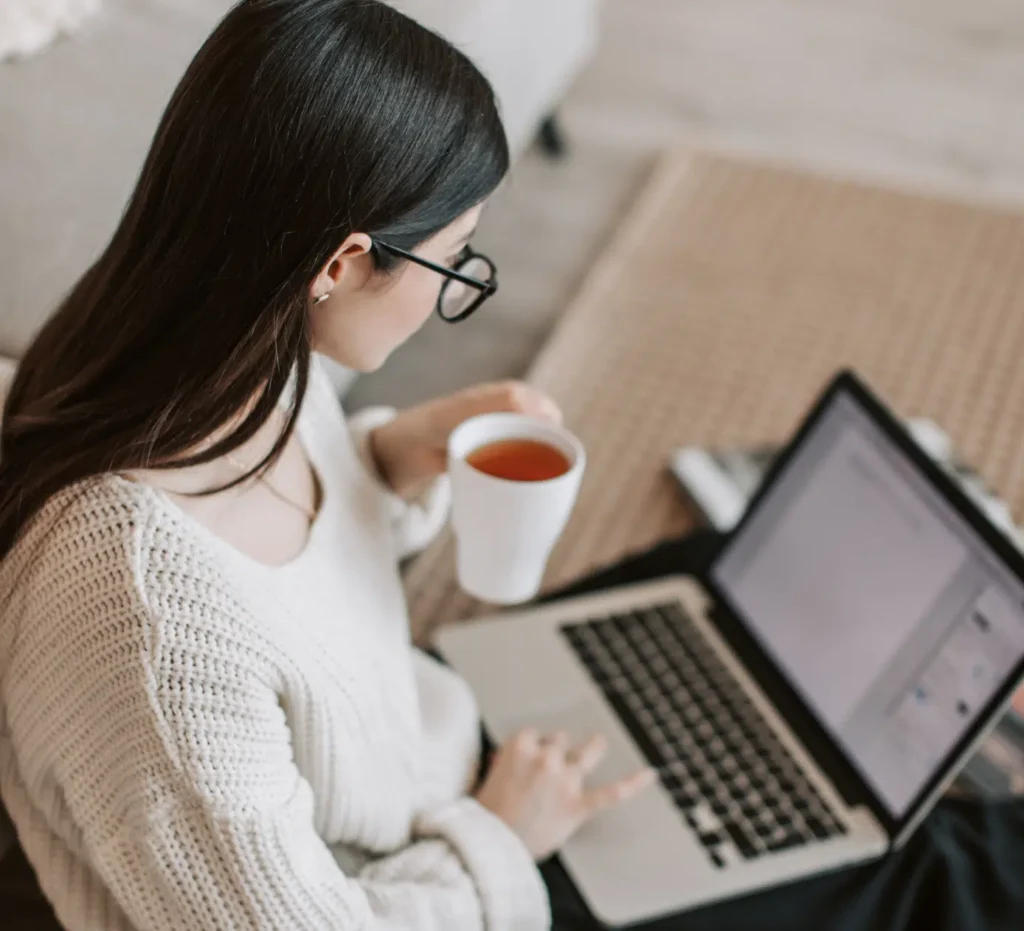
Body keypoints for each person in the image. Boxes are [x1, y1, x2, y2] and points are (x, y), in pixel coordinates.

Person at [0, 2, 1022, 930]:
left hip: (419, 760)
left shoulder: (215, 348)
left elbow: (277, 557)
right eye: (455, 262)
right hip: (433, 876)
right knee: (938, 870)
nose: (456, 287)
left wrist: (391, 460)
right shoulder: (145, 626)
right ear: (343, 264)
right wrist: (498, 835)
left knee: (709, 585)